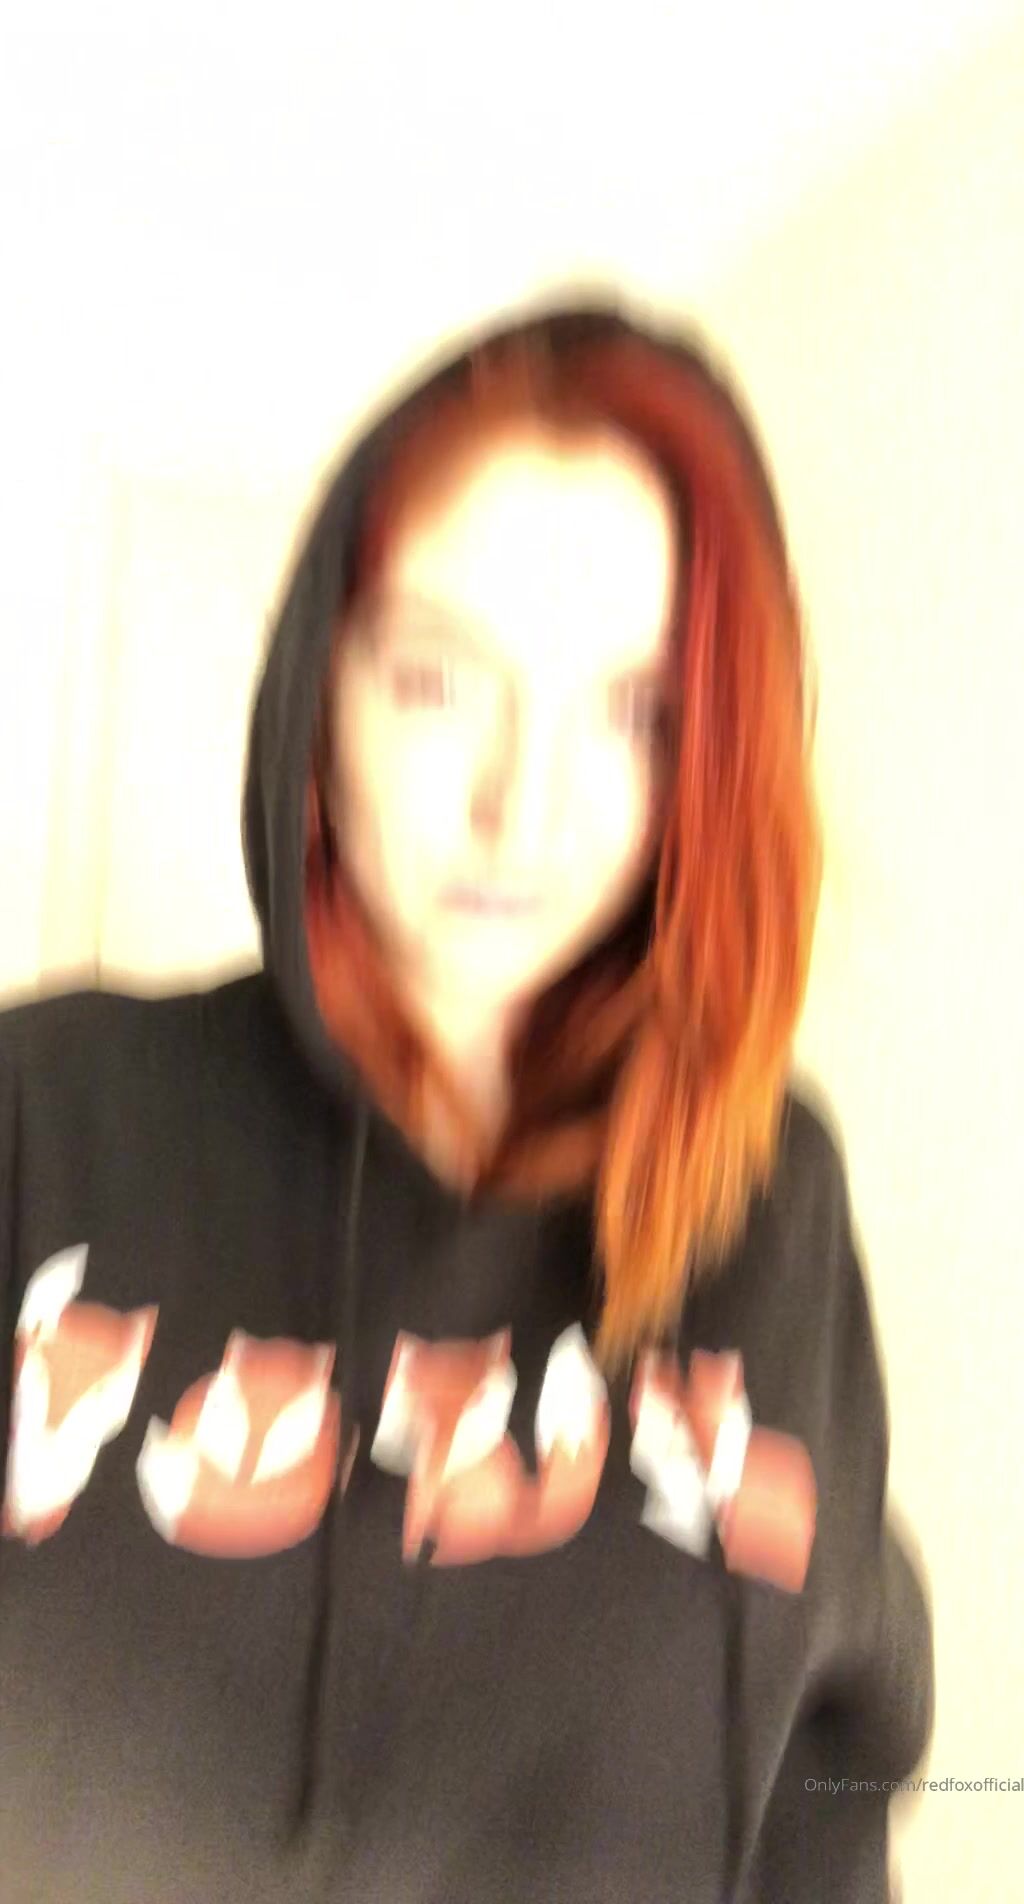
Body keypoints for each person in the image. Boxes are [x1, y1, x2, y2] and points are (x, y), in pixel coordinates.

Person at [0, 294, 934, 1903]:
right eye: (439, 682)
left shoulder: (771, 1197)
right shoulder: (45, 1113)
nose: (528, 806)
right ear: (322, 693)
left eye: (636, 713)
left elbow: (829, 1785)